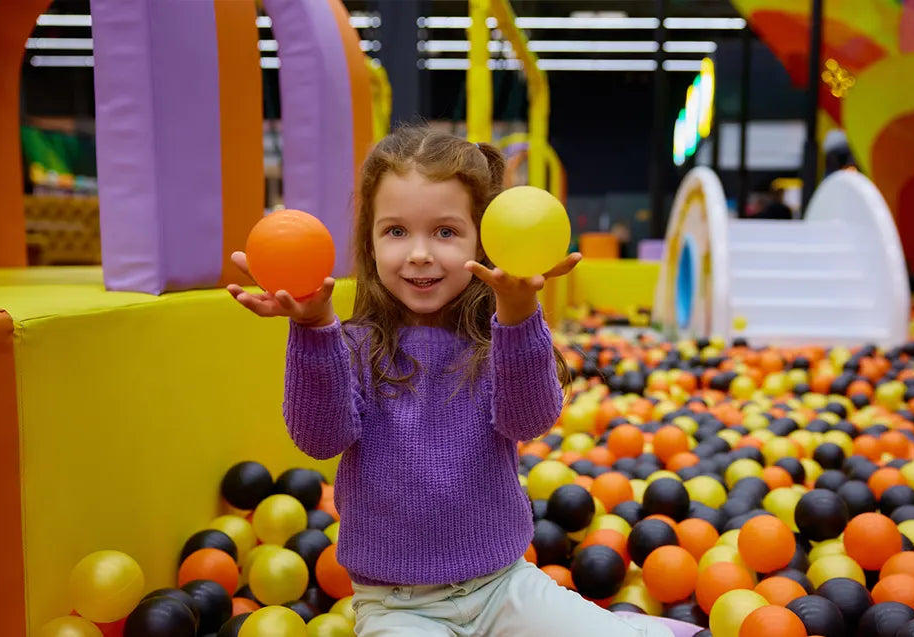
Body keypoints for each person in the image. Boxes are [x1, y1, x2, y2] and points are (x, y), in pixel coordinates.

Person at [227, 127, 681, 636]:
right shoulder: (350, 345)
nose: (420, 253)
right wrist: (312, 326)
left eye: (445, 232)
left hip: (503, 588)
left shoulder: (496, 342)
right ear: (369, 240)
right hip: (397, 605)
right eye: (396, 231)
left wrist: (517, 311)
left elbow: (528, 419)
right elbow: (319, 439)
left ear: (484, 242)